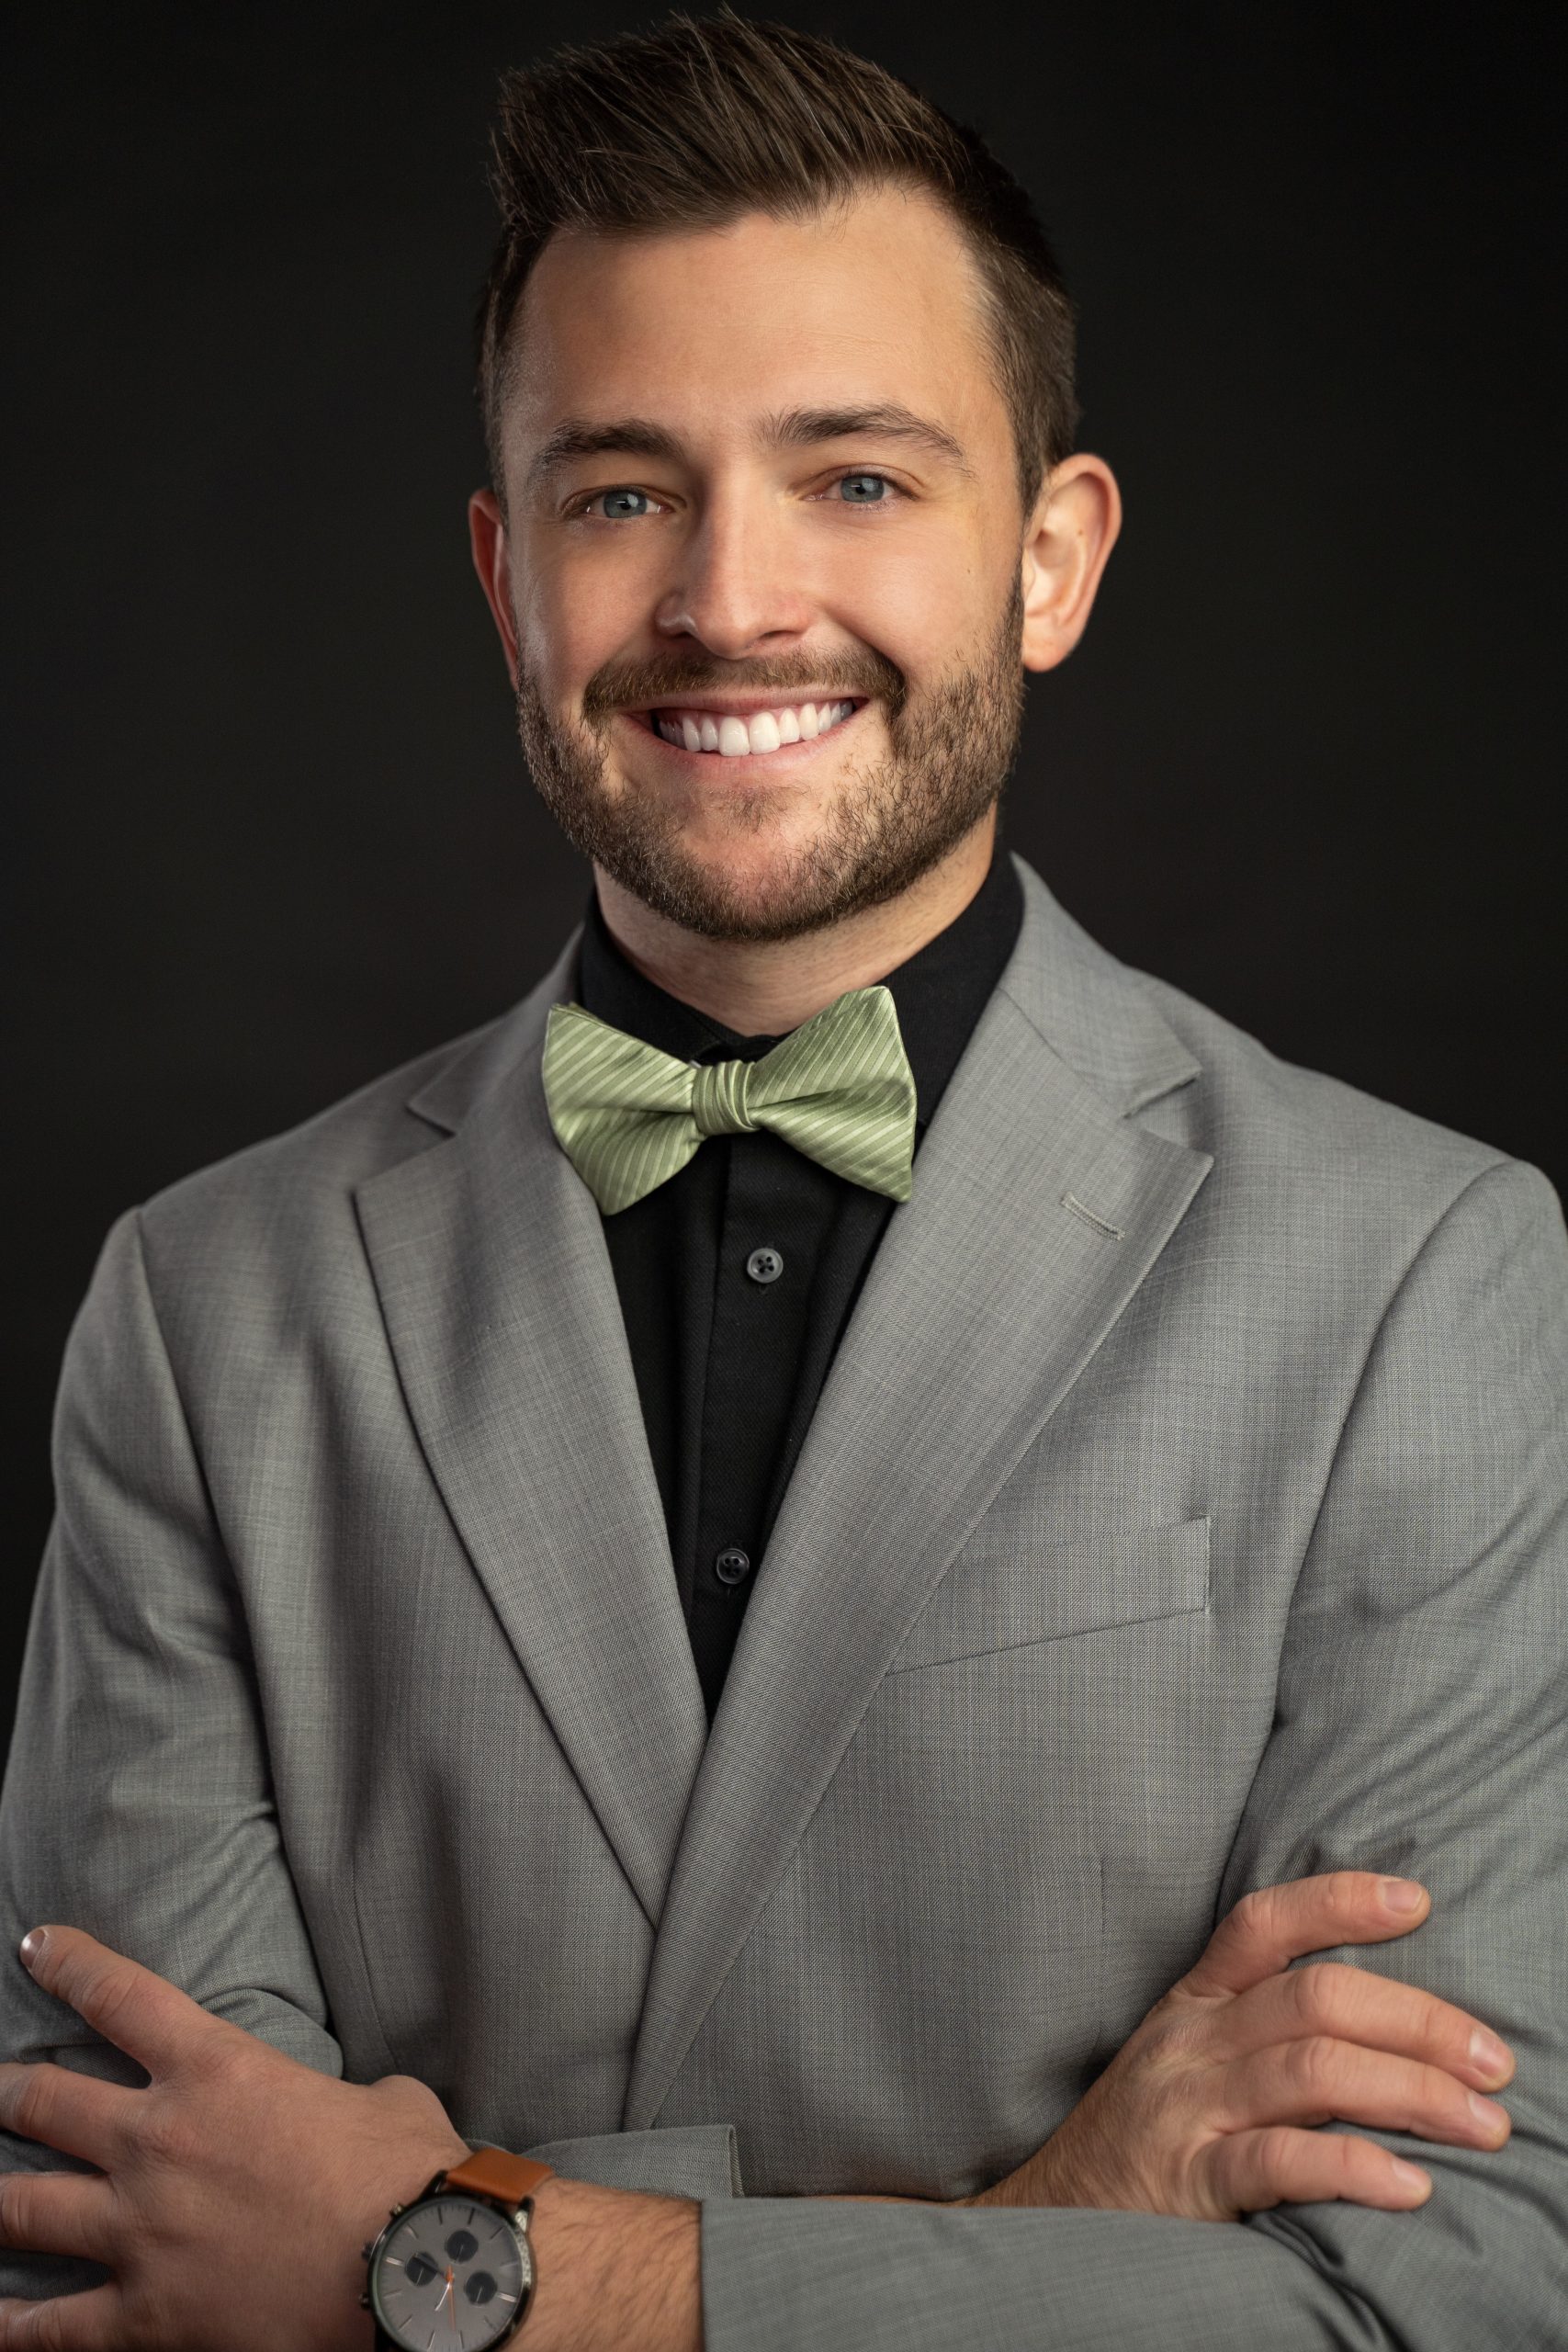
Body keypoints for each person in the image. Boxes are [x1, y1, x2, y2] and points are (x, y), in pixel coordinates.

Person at [2, 15, 1564, 2350]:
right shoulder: (200, 1307)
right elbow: (126, 2253)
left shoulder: (1420, 1275)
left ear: (1048, 557)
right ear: (503, 577)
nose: (731, 601)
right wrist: (1054, 2214)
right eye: (622, 493)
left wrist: (459, 2273)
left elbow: (1435, 2299)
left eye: (852, 477)